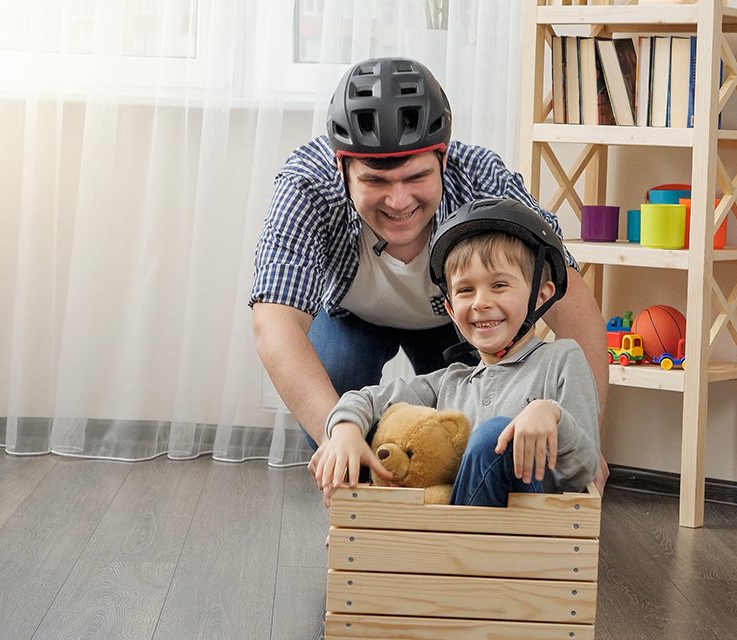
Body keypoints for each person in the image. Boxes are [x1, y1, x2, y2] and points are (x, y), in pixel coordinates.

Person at [249, 56, 609, 491]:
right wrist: (337, 440)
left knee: (465, 436)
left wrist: (589, 436)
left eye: (416, 177)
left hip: (458, 322)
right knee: (339, 399)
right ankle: (364, 504)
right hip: (351, 317)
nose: (398, 201)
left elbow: (572, 304)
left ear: (442, 157)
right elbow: (275, 322)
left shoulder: (481, 178)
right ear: (342, 169)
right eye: (377, 182)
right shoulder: (307, 185)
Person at [313, 198, 599, 507]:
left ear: (541, 294)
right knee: (371, 436)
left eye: (499, 285)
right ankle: (381, 531)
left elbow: (582, 471)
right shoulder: (451, 382)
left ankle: (435, 543)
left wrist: (553, 415)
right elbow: (367, 399)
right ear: (450, 308)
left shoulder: (561, 360)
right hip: (448, 532)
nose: (480, 302)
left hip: (525, 534)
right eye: (465, 290)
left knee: (495, 436)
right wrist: (344, 430)